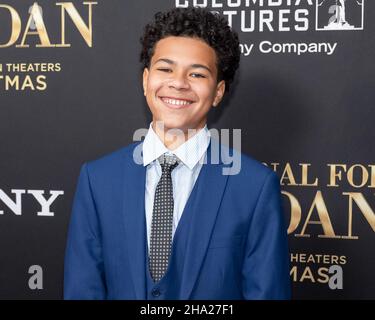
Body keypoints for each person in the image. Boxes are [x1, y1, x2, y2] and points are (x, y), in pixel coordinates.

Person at [64, 7, 291, 300]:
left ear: (219, 91)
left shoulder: (254, 187)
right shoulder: (97, 179)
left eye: (197, 73)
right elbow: (83, 290)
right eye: (165, 69)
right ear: (146, 80)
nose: (179, 83)